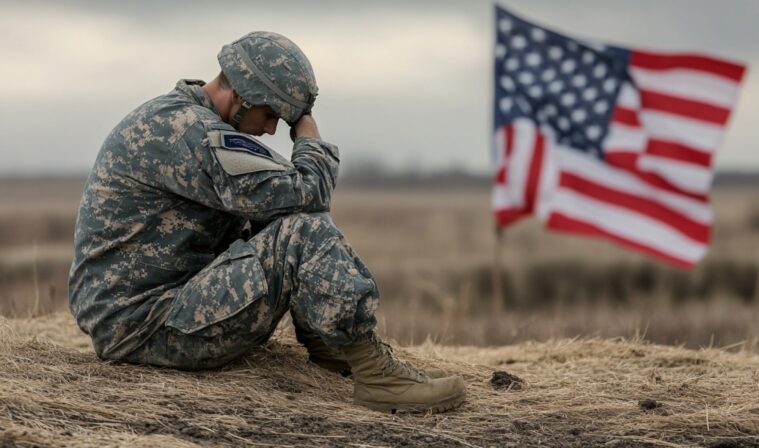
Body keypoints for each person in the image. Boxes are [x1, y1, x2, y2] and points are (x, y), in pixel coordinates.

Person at [68, 31, 466, 413]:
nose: (273, 129)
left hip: (141, 313)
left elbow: (282, 192)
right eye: (271, 113)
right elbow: (310, 193)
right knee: (300, 232)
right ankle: (375, 374)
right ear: (239, 95)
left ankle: (331, 344)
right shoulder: (188, 132)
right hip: (143, 326)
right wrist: (308, 137)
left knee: (279, 216)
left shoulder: (191, 123)